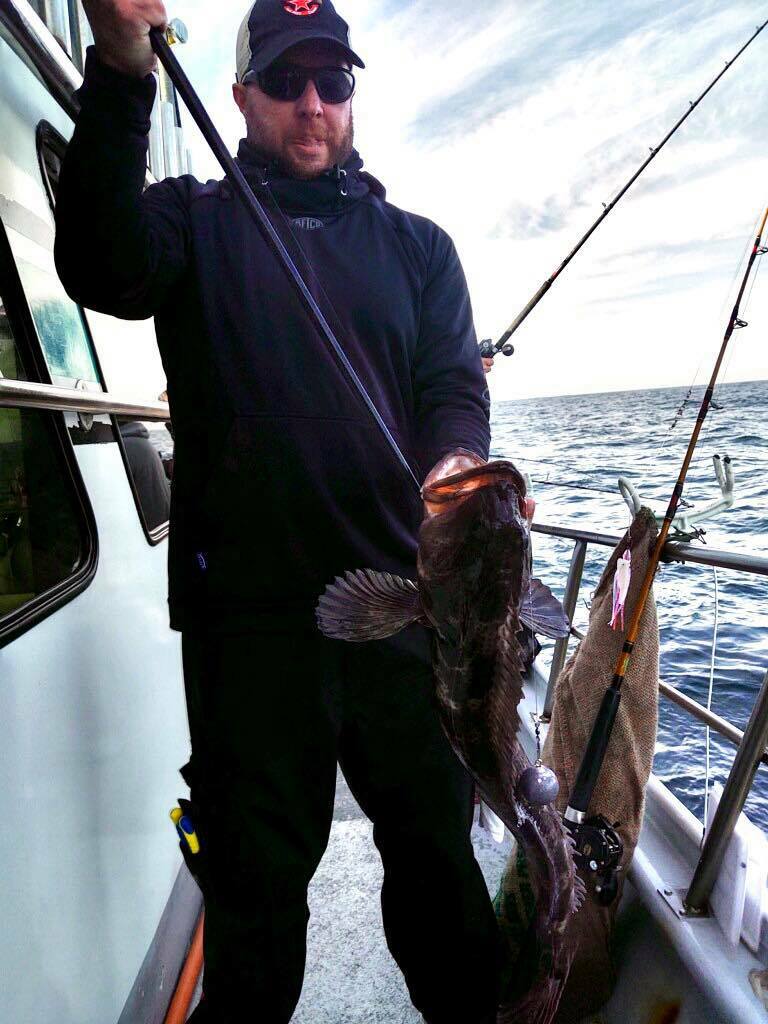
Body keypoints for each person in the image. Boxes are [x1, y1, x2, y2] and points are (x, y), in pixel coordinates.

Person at [55, 1, 500, 1021]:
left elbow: (451, 388)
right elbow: (99, 261)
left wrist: (456, 461)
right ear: (242, 95)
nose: (312, 106)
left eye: (333, 83)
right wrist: (124, 68)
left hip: (402, 609)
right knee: (255, 910)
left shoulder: (420, 248)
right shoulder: (191, 221)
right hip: (249, 630)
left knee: (441, 876)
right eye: (289, 81)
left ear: (351, 97)